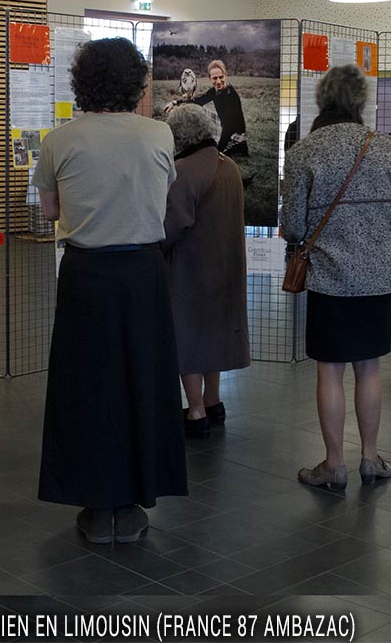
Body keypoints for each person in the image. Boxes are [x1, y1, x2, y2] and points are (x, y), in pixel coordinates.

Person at [32, 37, 187, 544]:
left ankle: (96, 508)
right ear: (137, 83)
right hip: (143, 274)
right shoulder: (159, 134)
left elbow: (52, 213)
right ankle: (133, 504)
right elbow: (160, 201)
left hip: (85, 275)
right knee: (141, 380)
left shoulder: (58, 140)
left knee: (87, 387)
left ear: (82, 83)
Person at [281, 65, 391, 491]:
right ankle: (371, 458)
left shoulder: (305, 151)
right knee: (369, 370)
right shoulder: (386, 147)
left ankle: (334, 464)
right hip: (377, 277)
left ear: (322, 99)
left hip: (328, 280)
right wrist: (378, 229)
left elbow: (294, 225)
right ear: (361, 102)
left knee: (329, 372)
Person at [162, 104, 250, 439]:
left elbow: (171, 225)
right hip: (225, 266)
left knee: (188, 338)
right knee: (213, 335)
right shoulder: (228, 166)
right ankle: (214, 401)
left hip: (191, 268)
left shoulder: (184, 170)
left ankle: (196, 411)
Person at [194, 59, 249, 158]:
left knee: (213, 153)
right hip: (224, 127)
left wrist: (219, 150)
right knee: (199, 109)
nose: (218, 81)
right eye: (215, 78)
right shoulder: (214, 92)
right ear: (210, 78)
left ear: (225, 76)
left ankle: (240, 147)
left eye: (221, 77)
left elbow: (229, 127)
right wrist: (175, 102)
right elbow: (198, 101)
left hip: (234, 134)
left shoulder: (231, 95)